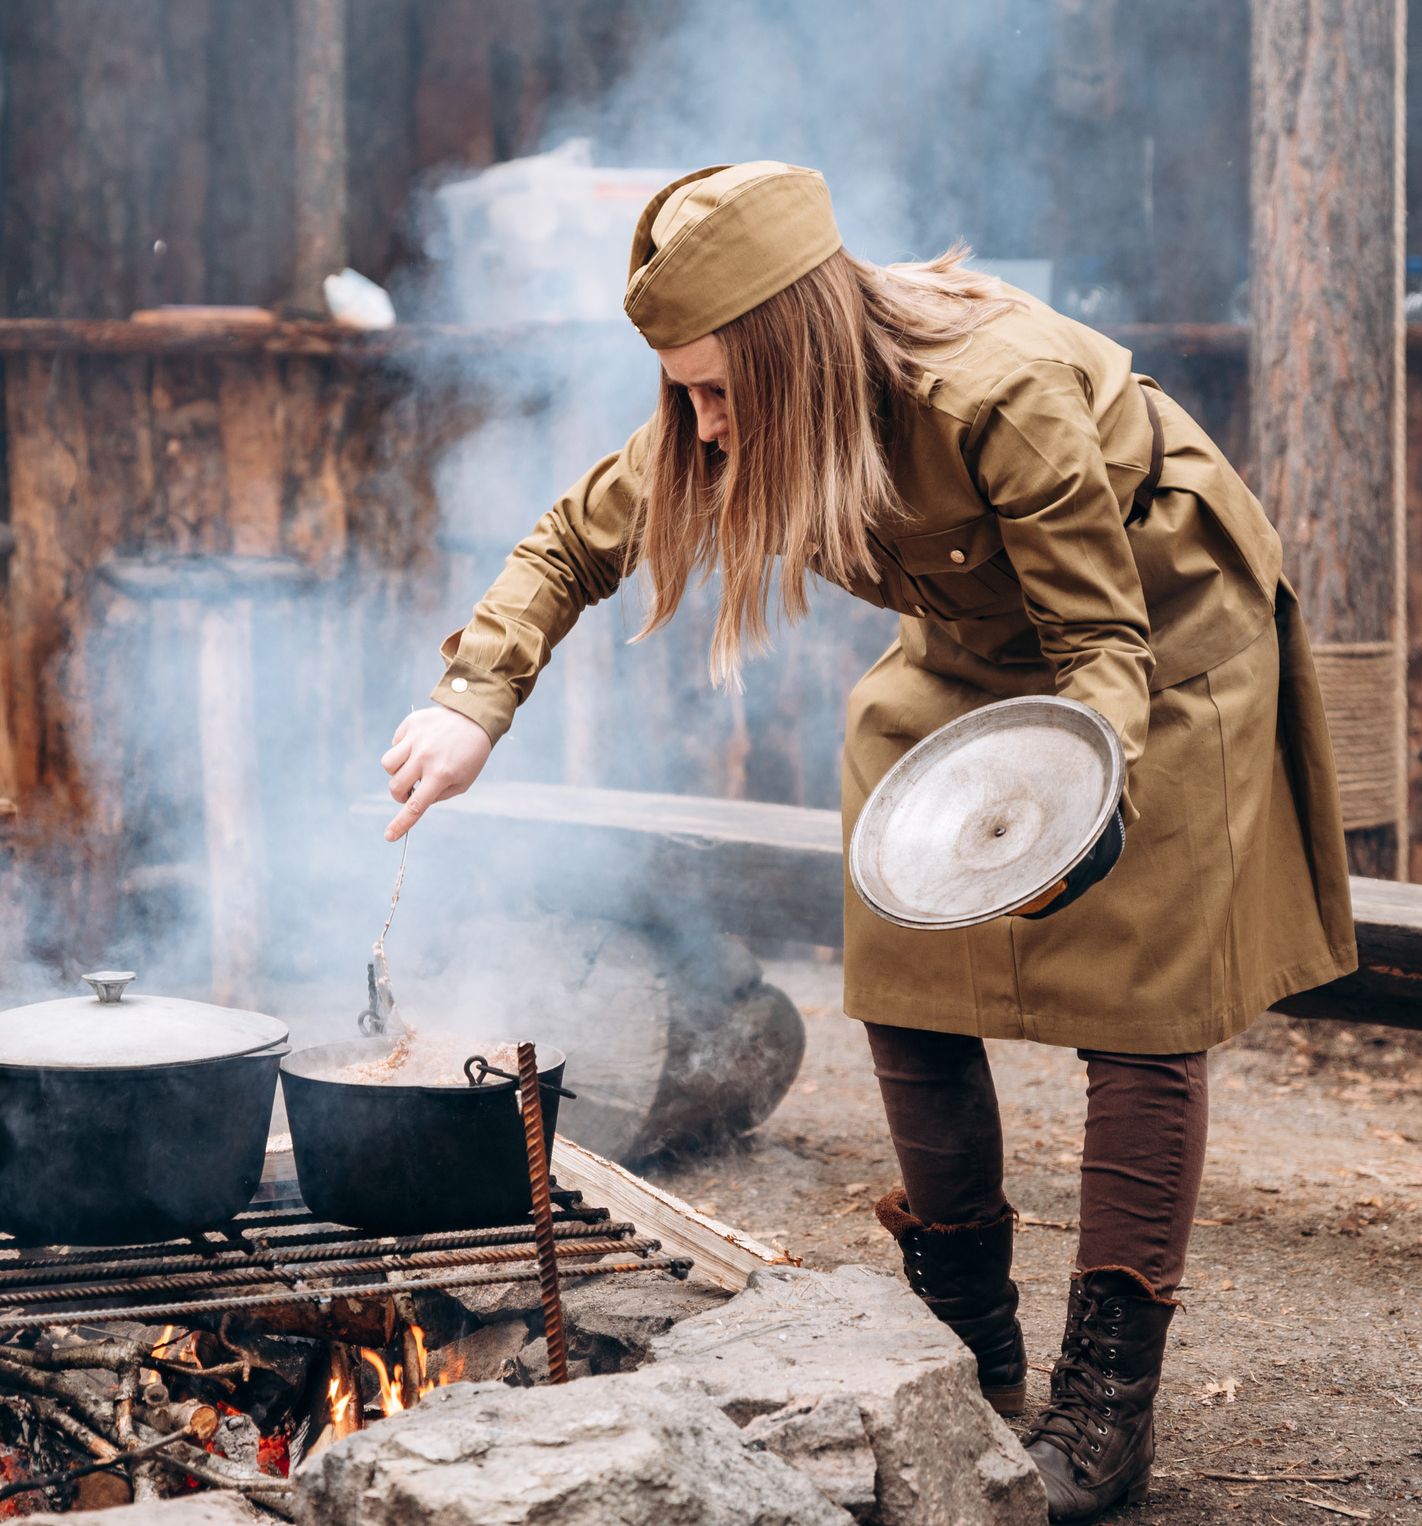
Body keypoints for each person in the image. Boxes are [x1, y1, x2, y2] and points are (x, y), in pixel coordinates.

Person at [379, 162, 1356, 1523]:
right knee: (902, 957)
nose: (704, 429)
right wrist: (470, 703)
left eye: (721, 392)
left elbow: (1098, 647)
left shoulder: (996, 392)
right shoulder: (718, 421)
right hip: (965, 658)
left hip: (1156, 642)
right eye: (684, 396)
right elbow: (570, 542)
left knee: (1142, 999)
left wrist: (1083, 806)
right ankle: (968, 1354)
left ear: (800, 354)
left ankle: (1104, 1413)